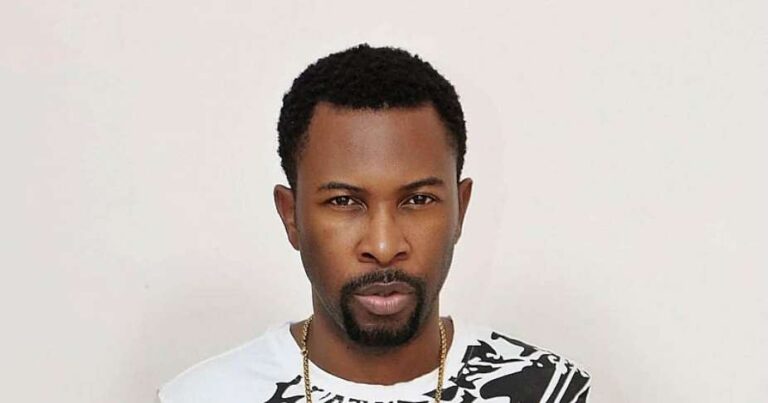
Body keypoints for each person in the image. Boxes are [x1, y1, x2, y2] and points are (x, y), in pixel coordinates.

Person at [158, 44, 591, 403]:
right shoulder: (204, 397)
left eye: (418, 200)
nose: (384, 247)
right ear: (291, 216)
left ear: (460, 209)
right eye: (344, 201)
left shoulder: (548, 391)